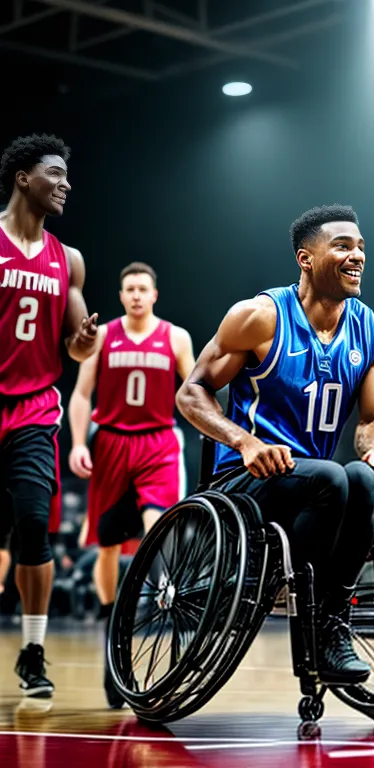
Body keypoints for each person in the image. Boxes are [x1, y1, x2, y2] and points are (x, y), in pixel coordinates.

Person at [176, 204, 374, 683]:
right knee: (331, 477)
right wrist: (244, 443)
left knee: (360, 475)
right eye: (342, 245)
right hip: (245, 481)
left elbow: (373, 417)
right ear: (306, 258)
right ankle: (284, 585)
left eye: (361, 247)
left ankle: (329, 621)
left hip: (320, 486)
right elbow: (191, 393)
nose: (357, 255)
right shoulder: (259, 318)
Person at [67, 261, 195, 707]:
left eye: (143, 288)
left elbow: (195, 388)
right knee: (105, 543)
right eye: (129, 289)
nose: (137, 295)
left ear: (154, 295)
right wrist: (78, 443)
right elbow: (81, 394)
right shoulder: (103, 337)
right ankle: (110, 621)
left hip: (157, 443)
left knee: (154, 526)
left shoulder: (176, 338)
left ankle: (149, 599)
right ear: (121, 296)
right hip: (111, 445)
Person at [0, 133, 100, 697]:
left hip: (35, 409)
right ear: (23, 179)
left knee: (35, 523)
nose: (65, 184)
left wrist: (85, 338)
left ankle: (32, 652)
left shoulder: (70, 260)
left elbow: (77, 349)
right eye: (55, 174)